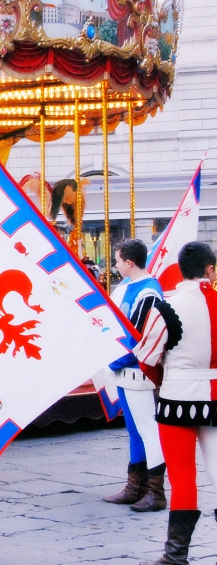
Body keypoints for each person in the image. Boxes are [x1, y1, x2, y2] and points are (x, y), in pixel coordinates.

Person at [132, 241, 217, 565]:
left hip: (176, 397)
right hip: (216, 395)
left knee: (182, 478)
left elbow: (147, 359)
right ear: (210, 269)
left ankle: (175, 556)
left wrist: (164, 381)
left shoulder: (166, 307)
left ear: (180, 270)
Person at [100, 239, 167, 512]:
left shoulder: (148, 292)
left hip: (138, 368)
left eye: (117, 260)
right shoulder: (130, 287)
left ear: (129, 262)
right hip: (126, 368)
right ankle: (135, 487)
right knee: (134, 430)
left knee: (148, 431)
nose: (115, 265)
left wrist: (116, 360)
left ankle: (155, 491)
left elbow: (140, 337)